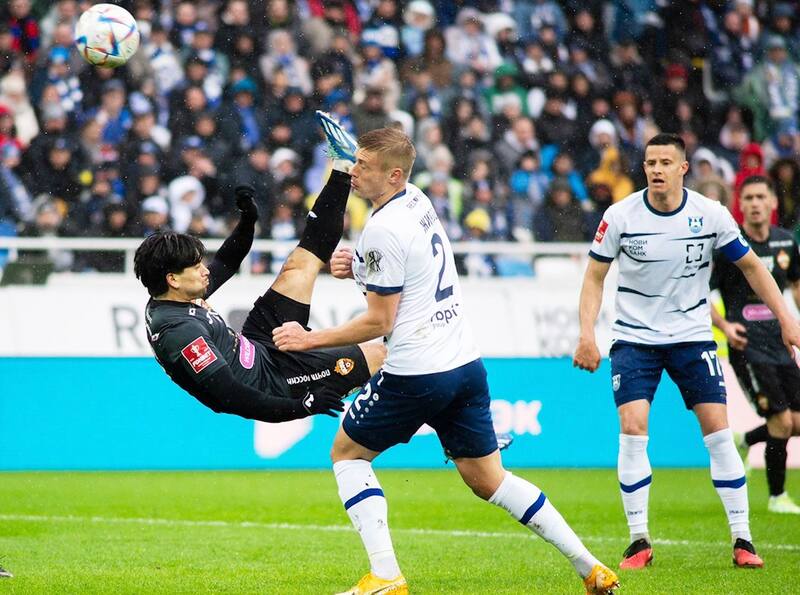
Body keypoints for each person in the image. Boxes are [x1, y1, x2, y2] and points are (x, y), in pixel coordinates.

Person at [272, 123, 619, 595]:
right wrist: (358, 267)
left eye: (365, 167)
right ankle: (591, 569)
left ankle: (386, 576)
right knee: (490, 480)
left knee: (347, 454)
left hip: (417, 372)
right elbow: (411, 274)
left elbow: (379, 322)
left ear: (394, 175)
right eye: (355, 162)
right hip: (465, 366)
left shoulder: (381, 229)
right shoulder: (416, 199)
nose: (354, 172)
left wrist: (309, 340)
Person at [573, 133, 800, 571]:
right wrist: (587, 334)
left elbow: (752, 266)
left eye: (664, 162)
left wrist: (788, 319)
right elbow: (594, 277)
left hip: (693, 337)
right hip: (635, 339)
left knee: (717, 430)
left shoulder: (709, 214)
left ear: (682, 169)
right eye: (649, 162)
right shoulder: (620, 216)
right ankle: (638, 540)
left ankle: (743, 539)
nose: (655, 169)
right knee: (633, 427)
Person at [133, 113, 385, 425]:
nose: (204, 270)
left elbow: (226, 262)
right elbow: (230, 397)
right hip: (275, 380)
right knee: (380, 356)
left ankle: (344, 165)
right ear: (172, 278)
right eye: (196, 266)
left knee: (299, 265)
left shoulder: (176, 293)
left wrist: (247, 220)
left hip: (259, 342)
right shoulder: (179, 333)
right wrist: (304, 405)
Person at [709, 175, 800, 514]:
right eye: (748, 198)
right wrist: (724, 325)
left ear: (773, 202)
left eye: (761, 196)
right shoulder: (729, 246)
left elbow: (795, 286)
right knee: (781, 422)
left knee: (796, 421)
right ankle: (778, 497)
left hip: (779, 343)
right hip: (747, 345)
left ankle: (746, 440)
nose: (755, 203)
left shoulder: (786, 242)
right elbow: (699, 292)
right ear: (740, 204)